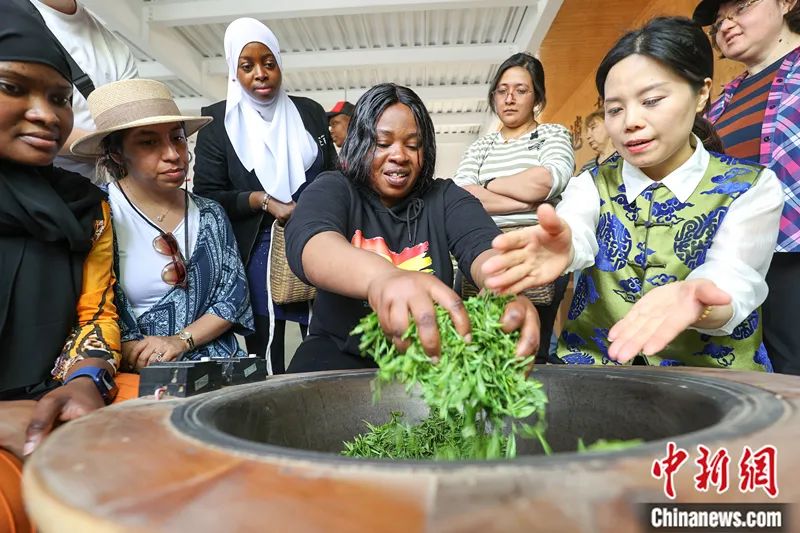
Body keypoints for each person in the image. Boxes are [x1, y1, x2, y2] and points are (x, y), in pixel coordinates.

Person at [481, 17, 783, 370]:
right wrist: (567, 246)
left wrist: (699, 300)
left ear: (701, 93)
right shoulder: (591, 184)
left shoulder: (751, 186)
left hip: (714, 384)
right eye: (615, 109)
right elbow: (576, 228)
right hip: (597, 379)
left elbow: (734, 277)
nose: (630, 122)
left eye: (651, 100)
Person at [283, 83, 540, 373]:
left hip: (428, 357)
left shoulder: (446, 198)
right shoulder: (335, 188)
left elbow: (484, 248)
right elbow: (312, 243)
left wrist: (504, 290)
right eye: (383, 144)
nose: (399, 155)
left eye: (413, 145)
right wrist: (384, 279)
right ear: (360, 144)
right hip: (337, 350)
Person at [0, 4, 122, 527]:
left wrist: (86, 378)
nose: (47, 115)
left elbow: (96, 312)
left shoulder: (85, 206)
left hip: (52, 396)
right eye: (12, 87)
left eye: (60, 98)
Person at [71, 79, 254, 371]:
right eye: (149, 142)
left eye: (177, 138)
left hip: (215, 366)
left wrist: (181, 341)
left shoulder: (210, 214)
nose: (173, 154)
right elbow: (83, 305)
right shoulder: (98, 214)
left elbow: (233, 296)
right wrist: (124, 348)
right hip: (128, 368)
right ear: (117, 153)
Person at [193, 18, 336, 374]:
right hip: (257, 248)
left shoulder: (309, 112)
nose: (261, 74)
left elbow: (334, 174)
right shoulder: (218, 123)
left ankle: (319, 395)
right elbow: (208, 195)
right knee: (266, 346)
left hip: (315, 242)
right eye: (247, 66)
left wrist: (317, 205)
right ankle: (270, 400)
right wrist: (261, 200)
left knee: (324, 335)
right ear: (234, 72)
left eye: (269, 63)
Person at [694, 0, 800, 375]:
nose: (726, 25)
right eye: (719, 21)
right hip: (739, 258)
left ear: (786, 2)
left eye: (741, 7)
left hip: (792, 254)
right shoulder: (724, 98)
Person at [453, 53, 575, 363]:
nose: (509, 99)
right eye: (502, 90)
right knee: (479, 349)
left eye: (521, 90)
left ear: (537, 97)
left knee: (531, 352)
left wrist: (488, 184)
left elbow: (546, 181)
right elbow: (463, 196)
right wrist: (527, 201)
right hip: (482, 246)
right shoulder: (480, 146)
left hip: (536, 248)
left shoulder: (552, 134)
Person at [31, 0, 138, 184]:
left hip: (91, 192)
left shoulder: (116, 49)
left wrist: (98, 147)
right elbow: (17, 124)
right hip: (20, 187)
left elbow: (129, 133)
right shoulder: (11, 20)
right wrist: (106, 147)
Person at [579, 109, 616, 173]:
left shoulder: (627, 156)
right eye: (587, 131)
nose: (588, 136)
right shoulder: (586, 169)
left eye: (593, 128)